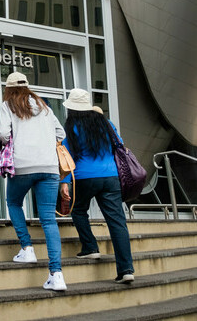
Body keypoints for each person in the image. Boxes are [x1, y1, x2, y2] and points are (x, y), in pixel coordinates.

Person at [0, 72, 67, 291]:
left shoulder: (8, 105)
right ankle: (56, 275)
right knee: (49, 220)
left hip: (23, 165)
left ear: (8, 88)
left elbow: (2, 133)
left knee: (14, 202)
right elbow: (60, 133)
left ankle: (27, 249)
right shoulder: (44, 107)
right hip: (49, 167)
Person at [59, 88, 135, 284]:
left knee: (78, 210)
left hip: (84, 177)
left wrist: (64, 183)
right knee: (117, 222)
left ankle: (90, 248)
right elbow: (120, 146)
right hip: (111, 177)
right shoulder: (107, 124)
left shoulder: (72, 126)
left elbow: (67, 157)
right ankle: (126, 269)